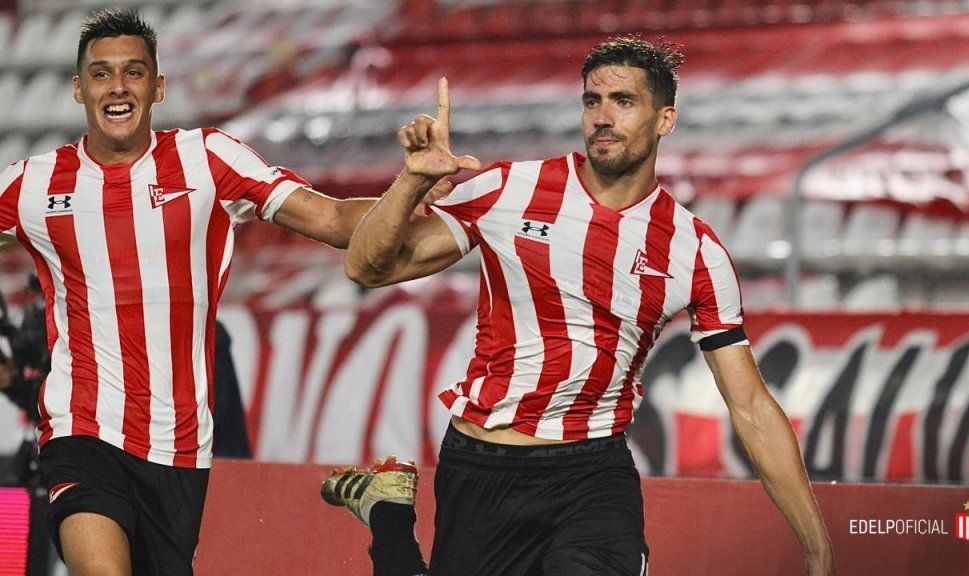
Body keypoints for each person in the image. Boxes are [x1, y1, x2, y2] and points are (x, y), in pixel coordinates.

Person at [328, 36, 836, 575]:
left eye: (624, 101)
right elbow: (367, 268)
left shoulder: (694, 250)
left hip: (592, 471)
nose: (602, 117)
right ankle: (388, 512)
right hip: (484, 465)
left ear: (665, 120)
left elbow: (751, 405)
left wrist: (818, 548)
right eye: (593, 101)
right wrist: (413, 181)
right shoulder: (510, 190)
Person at [0, 8, 438, 576]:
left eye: (134, 72)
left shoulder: (206, 158)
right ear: (79, 88)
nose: (118, 87)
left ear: (158, 87)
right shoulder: (32, 184)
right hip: (81, 430)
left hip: (181, 448)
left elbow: (331, 219)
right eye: (101, 74)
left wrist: (409, 186)